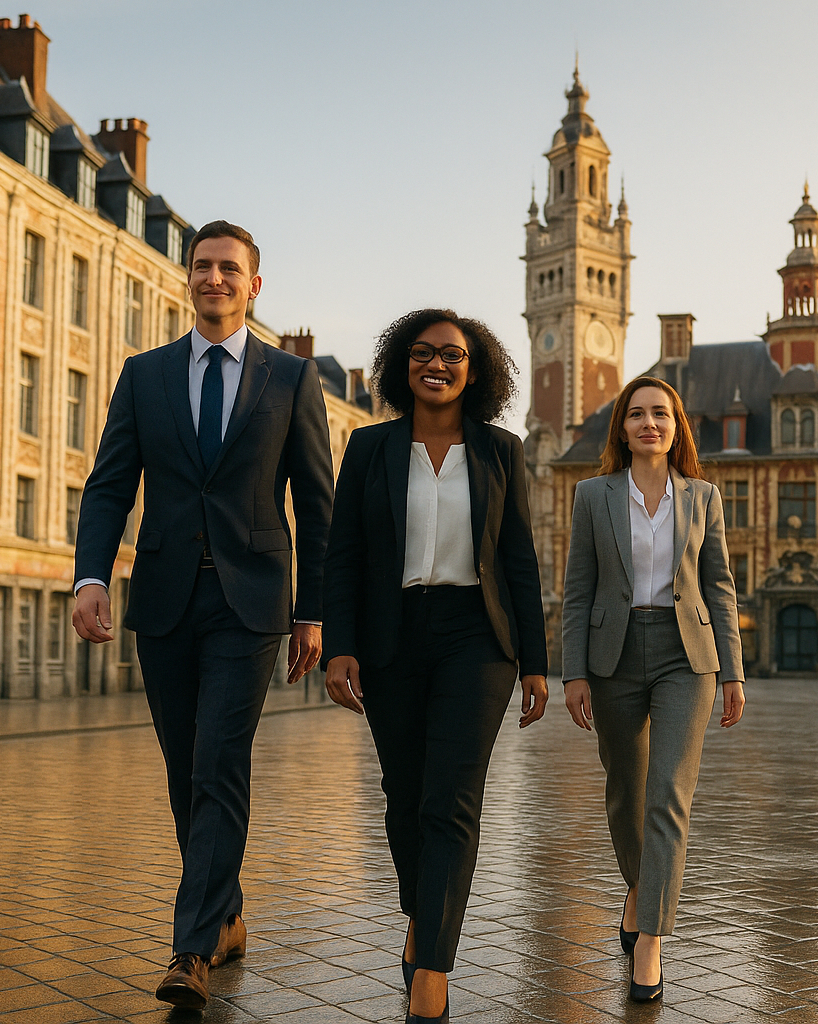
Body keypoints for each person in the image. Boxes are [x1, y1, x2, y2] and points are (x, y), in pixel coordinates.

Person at [71, 221, 333, 1011]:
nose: (214, 278)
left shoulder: (292, 379)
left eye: (229, 268)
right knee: (186, 767)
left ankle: (191, 949)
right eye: (202, 266)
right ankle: (227, 914)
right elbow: (109, 484)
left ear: (255, 285)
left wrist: (313, 610)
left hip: (250, 604)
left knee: (218, 760)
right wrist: (91, 576)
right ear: (188, 279)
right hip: (165, 597)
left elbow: (316, 503)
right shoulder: (144, 375)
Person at [323, 309, 548, 1024]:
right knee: (404, 796)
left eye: (453, 355)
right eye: (423, 353)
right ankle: (423, 916)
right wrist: (340, 645)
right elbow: (344, 553)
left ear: (474, 371)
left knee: (451, 800)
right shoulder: (369, 447)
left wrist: (536, 662)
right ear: (403, 365)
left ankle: (432, 973)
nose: (437, 365)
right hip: (391, 635)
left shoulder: (502, 451)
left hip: (476, 638)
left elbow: (518, 558)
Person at [560, 375, 745, 1004]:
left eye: (660, 413)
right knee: (626, 792)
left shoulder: (703, 496)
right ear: (623, 427)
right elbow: (578, 588)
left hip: (685, 654)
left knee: (668, 794)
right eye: (637, 414)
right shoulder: (593, 494)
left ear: (675, 426)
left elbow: (719, 585)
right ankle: (641, 888)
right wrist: (574, 671)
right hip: (611, 654)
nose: (649, 423)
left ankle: (650, 940)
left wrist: (733, 670)